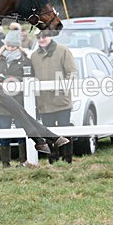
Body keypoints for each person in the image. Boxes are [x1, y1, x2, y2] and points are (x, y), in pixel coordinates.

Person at [30, 29, 77, 163]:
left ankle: (67, 159)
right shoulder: (34, 56)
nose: (41, 39)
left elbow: (72, 72)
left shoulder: (63, 51)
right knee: (48, 131)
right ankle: (53, 159)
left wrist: (62, 88)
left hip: (61, 100)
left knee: (65, 129)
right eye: (38, 37)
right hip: (44, 102)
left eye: (44, 36)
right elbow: (32, 76)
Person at [0, 30, 33, 167]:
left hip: (18, 102)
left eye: (13, 46)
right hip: (2, 103)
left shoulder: (25, 60)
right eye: (8, 45)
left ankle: (23, 160)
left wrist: (15, 80)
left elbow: (30, 78)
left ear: (18, 46)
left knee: (21, 131)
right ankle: (5, 163)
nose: (9, 48)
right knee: (4, 132)